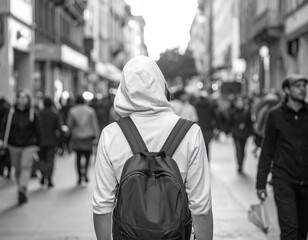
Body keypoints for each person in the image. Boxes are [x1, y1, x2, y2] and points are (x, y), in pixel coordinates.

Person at [93, 56, 213, 240]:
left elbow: (102, 206)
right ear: (161, 86)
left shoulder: (111, 134)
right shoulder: (190, 133)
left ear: (123, 90)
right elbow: (201, 207)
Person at [256, 74, 308, 240]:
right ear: (287, 90)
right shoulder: (275, 115)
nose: (302, 89)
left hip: (306, 180)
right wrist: (261, 183)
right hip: (283, 178)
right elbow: (267, 150)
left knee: (303, 229)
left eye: (304, 85)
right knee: (290, 227)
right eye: (297, 86)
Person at [0, 89, 41, 205]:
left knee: (25, 166)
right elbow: (4, 127)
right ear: (16, 99)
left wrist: (39, 144)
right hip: (14, 144)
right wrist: (3, 139)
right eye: (20, 97)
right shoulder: (11, 113)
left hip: (29, 144)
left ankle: (22, 188)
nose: (22, 100)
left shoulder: (33, 113)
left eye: (25, 97)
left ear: (28, 100)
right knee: (17, 169)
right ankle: (21, 186)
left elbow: (38, 130)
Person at [67, 95, 100, 185]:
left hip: (77, 136)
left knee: (77, 156)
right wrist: (97, 136)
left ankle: (79, 176)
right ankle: (85, 173)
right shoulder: (90, 111)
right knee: (88, 156)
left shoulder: (72, 111)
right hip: (88, 136)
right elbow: (95, 124)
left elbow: (69, 124)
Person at [38, 97, 62, 188]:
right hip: (52, 140)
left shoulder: (39, 114)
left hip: (41, 141)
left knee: (42, 159)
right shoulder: (55, 114)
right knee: (50, 160)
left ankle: (43, 176)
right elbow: (59, 128)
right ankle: (49, 178)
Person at [229, 96, 253, 173]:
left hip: (244, 134)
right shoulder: (233, 112)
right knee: (238, 149)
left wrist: (251, 133)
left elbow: (250, 123)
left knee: (242, 150)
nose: (240, 104)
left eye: (241, 102)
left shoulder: (247, 112)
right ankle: (239, 165)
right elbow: (230, 123)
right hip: (236, 134)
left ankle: (241, 163)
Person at [195, 92, 216, 161]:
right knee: (206, 145)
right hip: (208, 128)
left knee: (199, 146)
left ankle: (200, 161)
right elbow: (214, 118)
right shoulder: (210, 106)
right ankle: (206, 160)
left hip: (198, 128)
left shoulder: (196, 106)